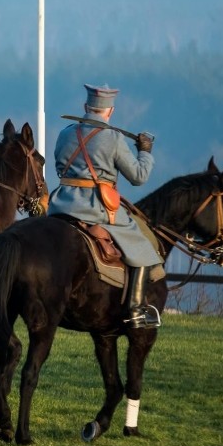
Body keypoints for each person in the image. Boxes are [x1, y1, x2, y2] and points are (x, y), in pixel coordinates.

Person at [47, 83, 161, 329]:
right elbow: (139, 176)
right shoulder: (114, 138)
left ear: (86, 107)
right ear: (110, 111)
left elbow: (59, 166)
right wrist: (145, 152)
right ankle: (135, 311)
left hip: (60, 204)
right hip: (94, 208)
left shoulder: (65, 133)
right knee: (141, 244)